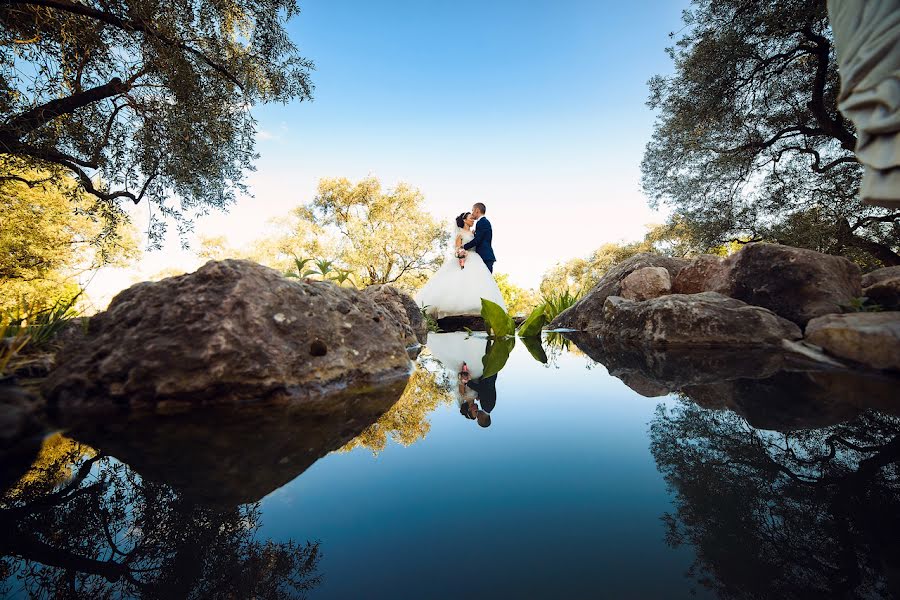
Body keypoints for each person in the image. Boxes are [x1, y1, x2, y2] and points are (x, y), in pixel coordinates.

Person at [415, 207, 506, 319]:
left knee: (477, 283)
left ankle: (480, 308)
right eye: (470, 218)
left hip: (476, 259)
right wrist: (462, 251)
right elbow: (457, 248)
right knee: (460, 281)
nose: (473, 219)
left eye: (473, 217)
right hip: (465, 260)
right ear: (464, 220)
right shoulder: (460, 234)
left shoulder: (474, 233)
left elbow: (477, 241)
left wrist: (465, 247)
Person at [463, 203, 495, 273]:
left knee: (486, 281)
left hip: (485, 256)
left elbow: (478, 240)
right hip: (483, 256)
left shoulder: (482, 222)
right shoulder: (483, 222)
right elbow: (480, 237)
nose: (472, 213)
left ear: (477, 210)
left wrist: (463, 247)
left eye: (472, 211)